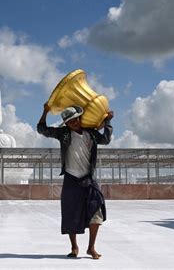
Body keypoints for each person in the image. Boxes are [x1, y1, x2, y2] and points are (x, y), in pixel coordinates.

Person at [37, 103, 113, 259]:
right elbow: (42, 129)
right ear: (66, 123)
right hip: (71, 179)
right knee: (70, 213)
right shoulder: (63, 134)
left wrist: (108, 122)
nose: (74, 123)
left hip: (88, 179)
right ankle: (74, 247)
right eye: (70, 122)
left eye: (75, 119)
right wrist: (45, 111)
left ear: (79, 118)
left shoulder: (90, 133)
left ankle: (91, 247)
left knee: (96, 210)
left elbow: (105, 139)